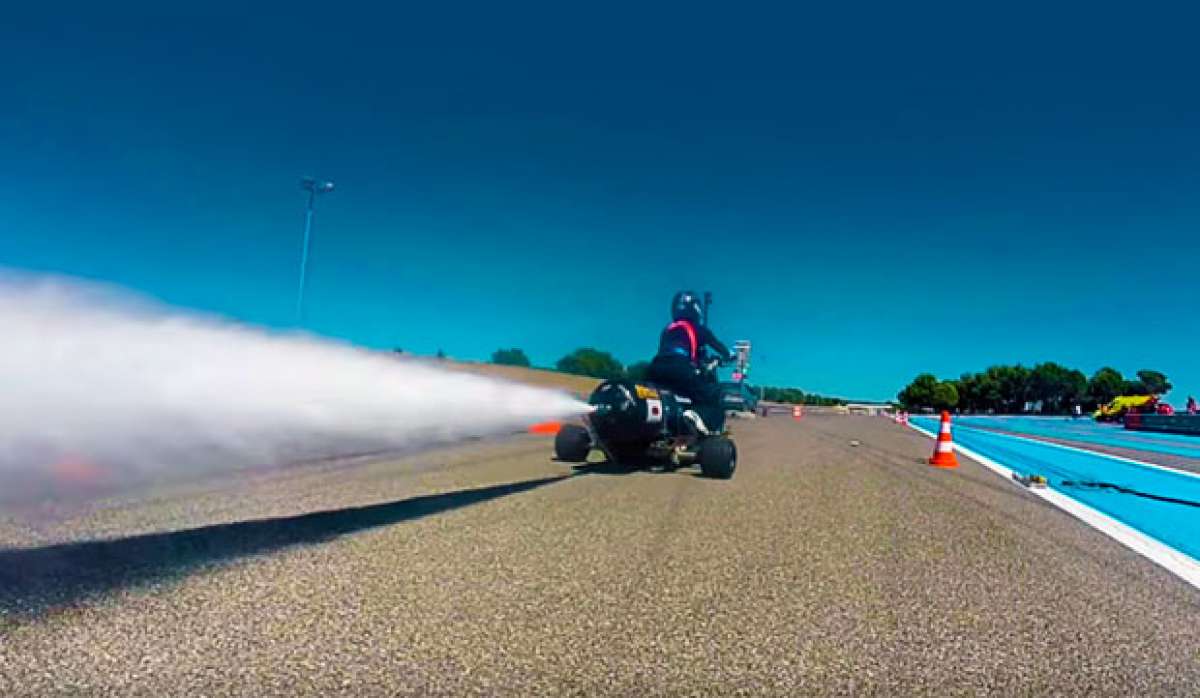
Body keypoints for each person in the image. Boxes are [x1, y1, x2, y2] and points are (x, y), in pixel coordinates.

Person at [646, 290, 736, 435]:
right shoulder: (699, 329)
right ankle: (696, 416)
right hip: (680, 368)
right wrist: (730, 355)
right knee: (713, 396)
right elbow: (719, 347)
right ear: (696, 309)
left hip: (654, 369)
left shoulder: (668, 330)